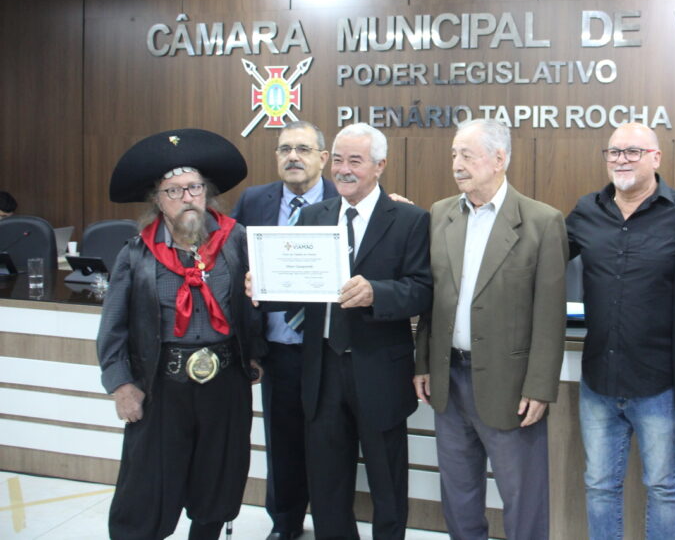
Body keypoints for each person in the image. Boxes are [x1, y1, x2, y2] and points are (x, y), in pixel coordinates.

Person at [96, 128, 263, 540]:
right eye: (174, 191)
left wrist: (257, 351)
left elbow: (260, 303)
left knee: (218, 480)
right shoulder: (136, 253)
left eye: (194, 188)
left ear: (207, 193)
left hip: (225, 386)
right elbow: (112, 328)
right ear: (158, 200)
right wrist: (122, 387)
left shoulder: (237, 240)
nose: (187, 197)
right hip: (161, 388)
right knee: (148, 489)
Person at [414, 118, 567, 540]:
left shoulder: (541, 222)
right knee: (458, 493)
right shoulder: (441, 214)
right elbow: (432, 300)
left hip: (512, 386)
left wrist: (540, 387)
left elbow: (550, 315)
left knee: (523, 495)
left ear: (499, 159)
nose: (456, 164)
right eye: (453, 155)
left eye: (467, 155)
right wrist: (423, 362)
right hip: (448, 380)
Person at [290, 122, 431, 540]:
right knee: (327, 482)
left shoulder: (410, 220)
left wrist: (377, 293)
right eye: (337, 160)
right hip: (322, 368)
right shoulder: (311, 217)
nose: (344, 169)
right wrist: (262, 288)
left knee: (388, 483)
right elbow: (294, 290)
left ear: (380, 165)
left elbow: (423, 290)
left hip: (380, 369)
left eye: (355, 160)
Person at [566, 123, 675, 540]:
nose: (621, 159)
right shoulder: (586, 211)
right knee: (599, 485)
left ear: (656, 158)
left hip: (659, 384)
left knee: (663, 486)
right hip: (598, 381)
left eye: (632, 152)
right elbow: (535, 251)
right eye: (614, 152)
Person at [233, 120, 337, 540]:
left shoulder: (345, 198)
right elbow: (234, 265)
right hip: (276, 346)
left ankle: (332, 523)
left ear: (323, 158)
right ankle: (285, 523)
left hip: (327, 348)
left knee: (330, 442)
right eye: (285, 149)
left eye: (303, 149)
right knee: (281, 441)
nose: (293, 157)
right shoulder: (254, 200)